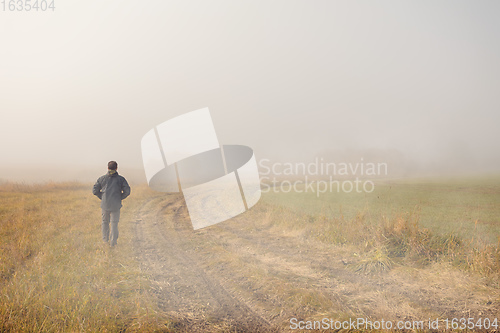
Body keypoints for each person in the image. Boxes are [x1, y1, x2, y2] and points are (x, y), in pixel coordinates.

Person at [92, 161, 131, 247]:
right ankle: (113, 243)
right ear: (116, 168)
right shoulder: (121, 179)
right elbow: (127, 191)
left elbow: (95, 191)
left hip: (105, 205)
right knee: (114, 223)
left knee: (105, 222)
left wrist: (102, 197)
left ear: (107, 168)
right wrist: (120, 197)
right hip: (116, 205)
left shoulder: (102, 179)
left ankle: (105, 241)